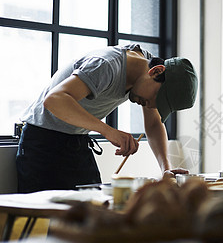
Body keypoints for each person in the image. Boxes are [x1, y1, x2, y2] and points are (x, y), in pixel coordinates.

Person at [16, 44, 198, 193]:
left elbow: (153, 123)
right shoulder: (106, 65)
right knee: (43, 224)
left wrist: (165, 168)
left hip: (77, 142)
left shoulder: (146, 70)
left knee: (94, 215)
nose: (150, 106)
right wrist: (108, 131)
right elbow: (54, 100)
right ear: (157, 71)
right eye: (156, 100)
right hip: (41, 143)